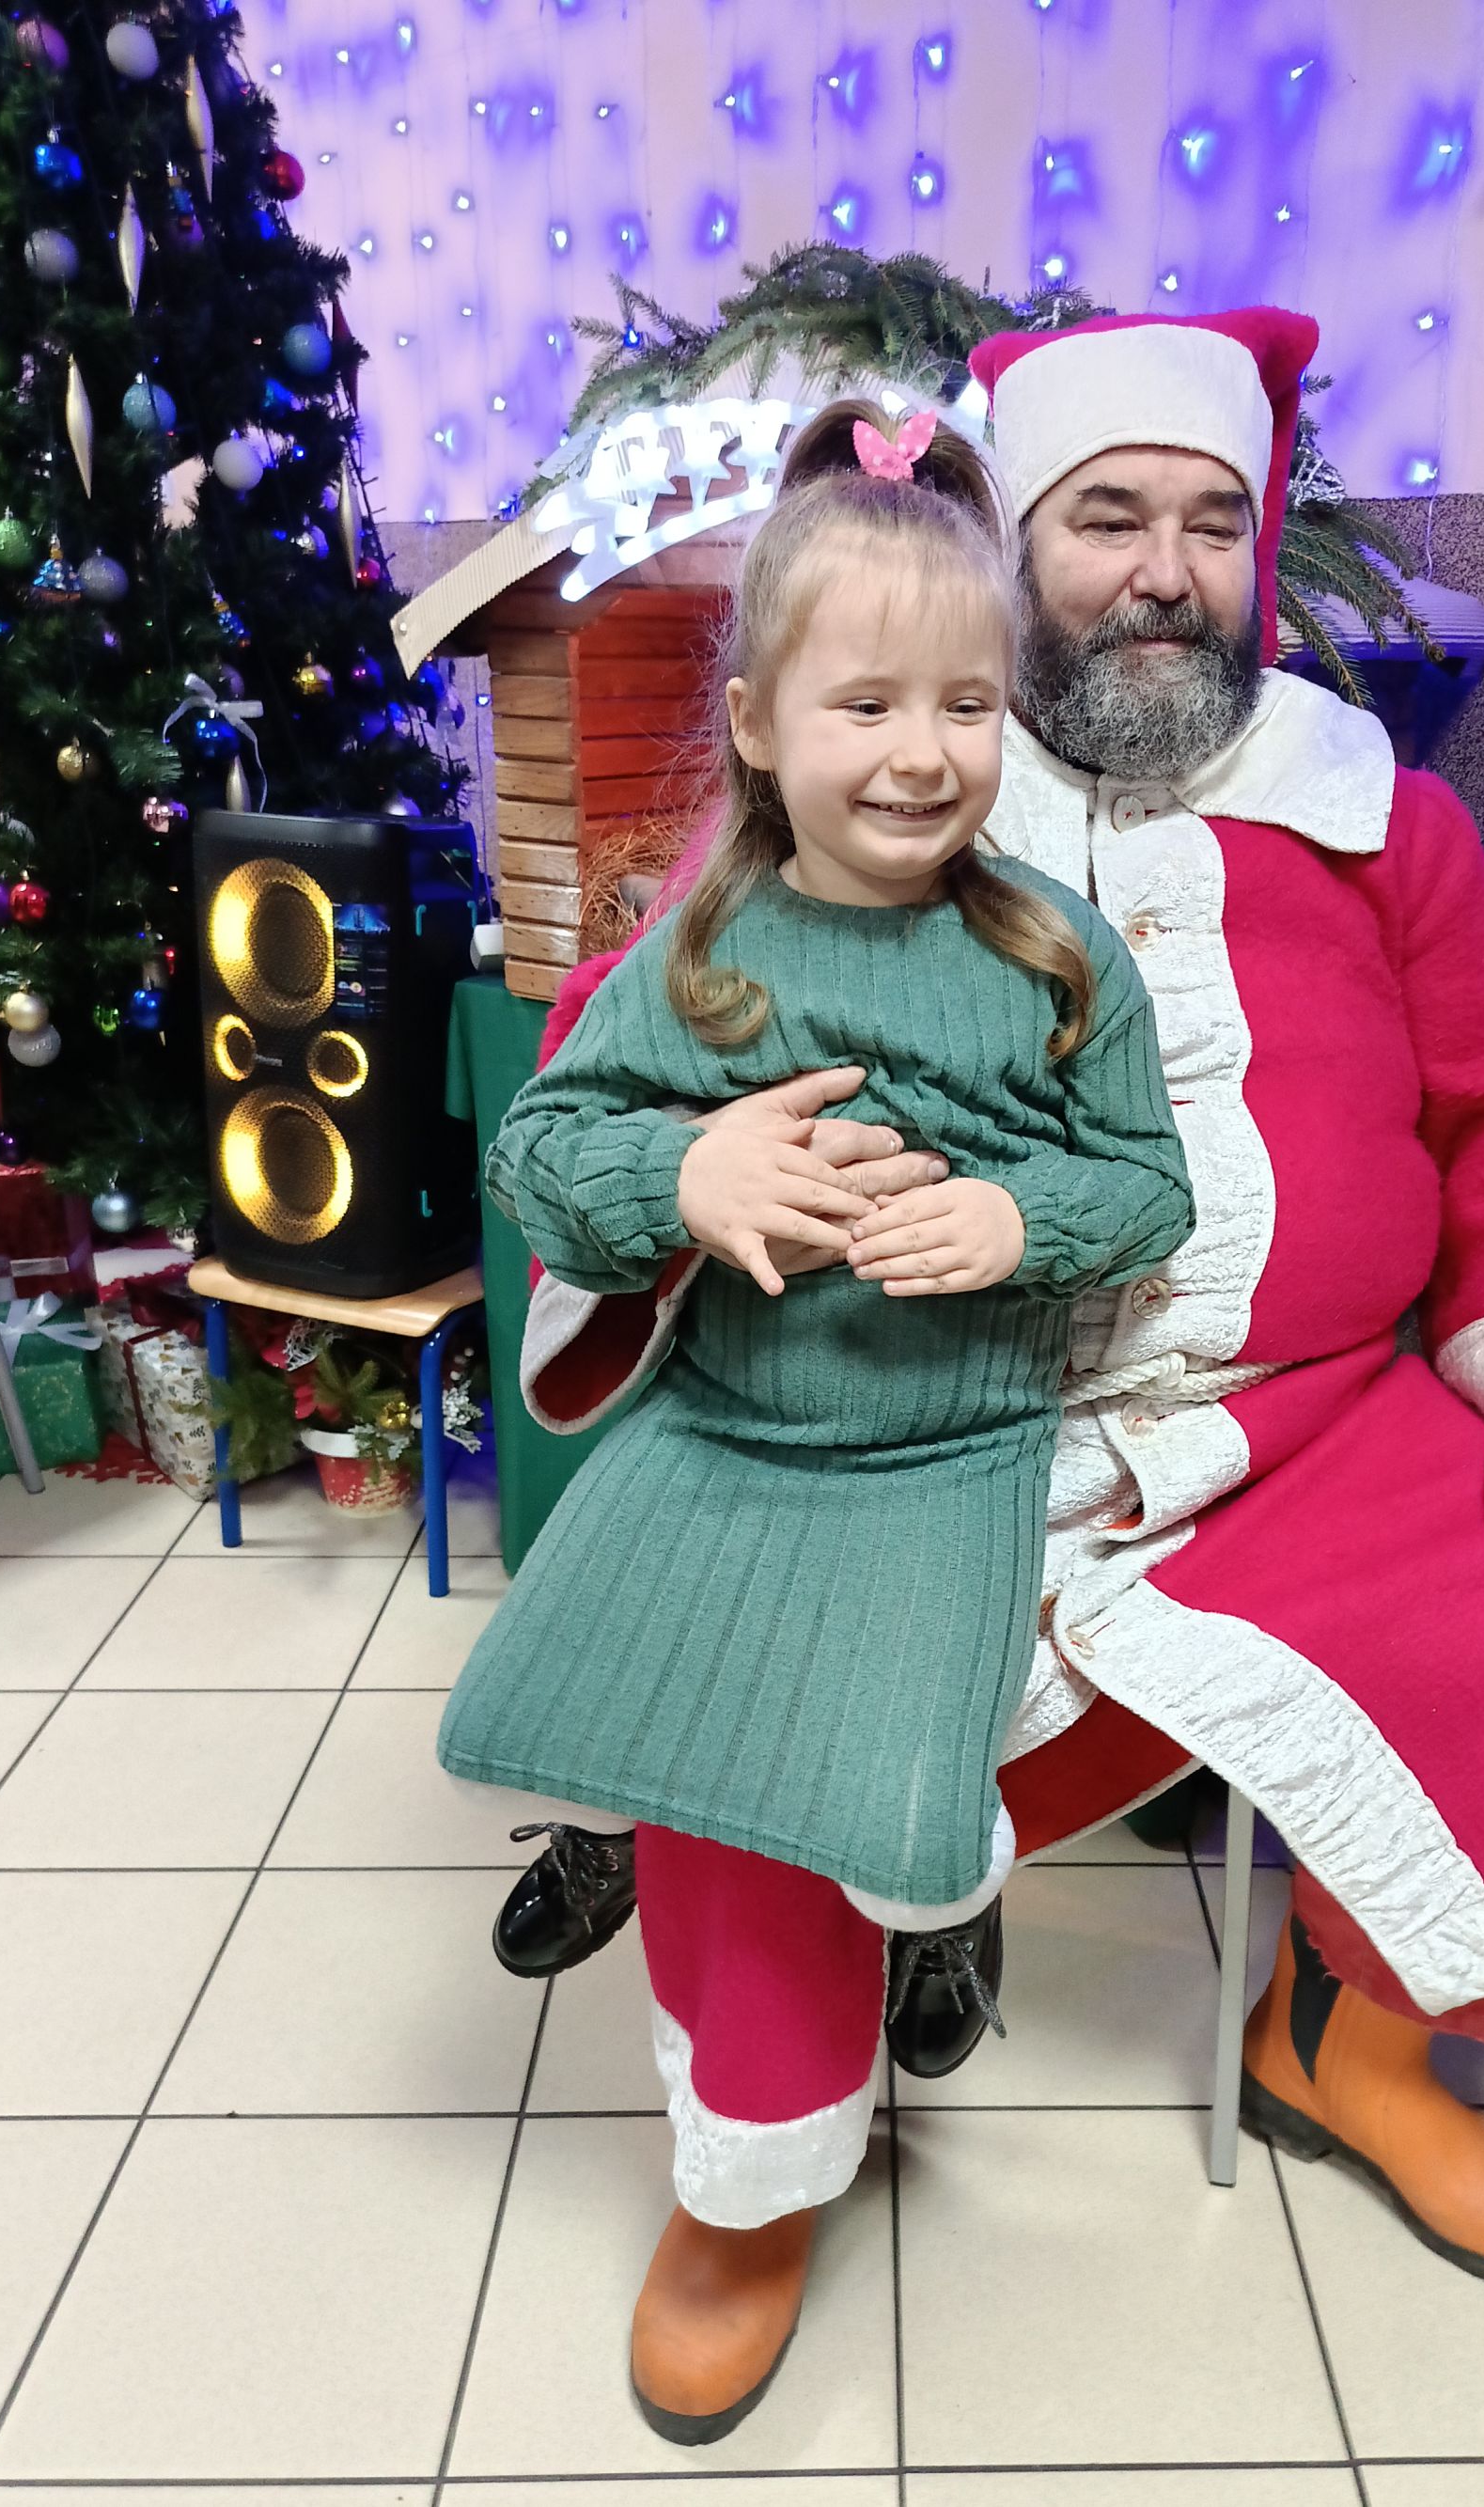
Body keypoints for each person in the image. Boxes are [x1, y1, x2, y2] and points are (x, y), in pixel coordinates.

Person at [506, 306, 1484, 2331]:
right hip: (922, 1421)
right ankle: (755, 2170)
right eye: (1107, 517)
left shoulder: (1378, 818)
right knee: (742, 1716)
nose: (1167, 570)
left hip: (1306, 1423)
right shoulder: (882, 781)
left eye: (1211, 521)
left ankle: (1348, 2052)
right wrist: (699, 1168)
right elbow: (613, 1061)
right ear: (1011, 544)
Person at [438, 399, 1193, 2443]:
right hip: (725, 1429)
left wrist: (1018, 1219)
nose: (922, 752)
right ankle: (731, 2120)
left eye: (966, 702)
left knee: (889, 1786)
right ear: (760, 726)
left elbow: (1151, 1192)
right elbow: (540, 1151)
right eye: (866, 702)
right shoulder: (696, 956)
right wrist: (684, 1177)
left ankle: (927, 1926)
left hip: (943, 1454)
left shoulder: (1056, 960)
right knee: (638, 1719)